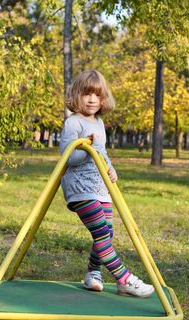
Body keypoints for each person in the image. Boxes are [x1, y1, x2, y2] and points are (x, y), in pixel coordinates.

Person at [59, 70, 154, 298]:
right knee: (101, 232)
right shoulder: (73, 123)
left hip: (100, 188)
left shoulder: (99, 123)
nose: (92, 99)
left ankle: (93, 272)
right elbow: (68, 158)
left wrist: (110, 167)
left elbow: (102, 153)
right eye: (86, 94)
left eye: (97, 95)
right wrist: (87, 147)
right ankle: (124, 279)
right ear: (76, 95)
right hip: (80, 188)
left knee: (106, 235)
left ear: (103, 99)